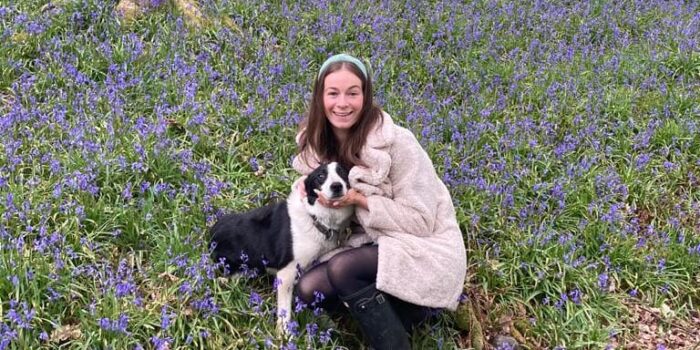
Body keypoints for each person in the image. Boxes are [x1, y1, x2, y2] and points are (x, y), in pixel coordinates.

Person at [291, 53, 467, 349]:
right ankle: (393, 308)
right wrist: (307, 189)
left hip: (422, 247)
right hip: (370, 247)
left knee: (341, 270)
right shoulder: (322, 144)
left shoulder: (398, 143)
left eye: (353, 93)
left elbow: (422, 222)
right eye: (333, 93)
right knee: (308, 290)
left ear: (366, 95)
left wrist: (360, 199)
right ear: (320, 98)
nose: (342, 103)